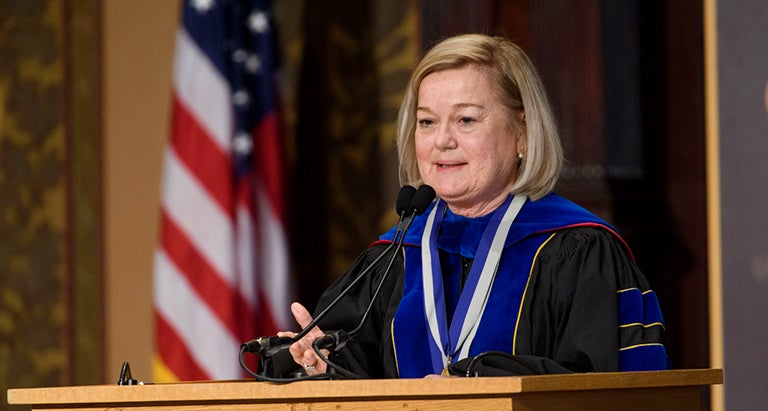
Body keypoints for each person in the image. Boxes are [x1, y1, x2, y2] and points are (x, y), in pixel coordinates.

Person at [277, 33, 668, 378]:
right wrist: (323, 362)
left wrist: (474, 380)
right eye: (427, 122)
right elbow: (363, 372)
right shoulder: (393, 259)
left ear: (523, 132)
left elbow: (607, 386)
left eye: (465, 120)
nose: (442, 140)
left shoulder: (578, 253)